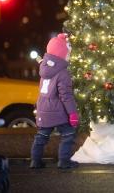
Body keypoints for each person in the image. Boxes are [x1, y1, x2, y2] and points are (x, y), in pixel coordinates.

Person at [30, 33, 80, 169]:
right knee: (68, 134)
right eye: (68, 54)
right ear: (61, 55)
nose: (69, 57)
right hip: (58, 112)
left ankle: (35, 161)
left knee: (41, 136)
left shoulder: (44, 69)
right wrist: (72, 114)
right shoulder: (63, 73)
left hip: (43, 109)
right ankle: (64, 161)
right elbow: (66, 96)